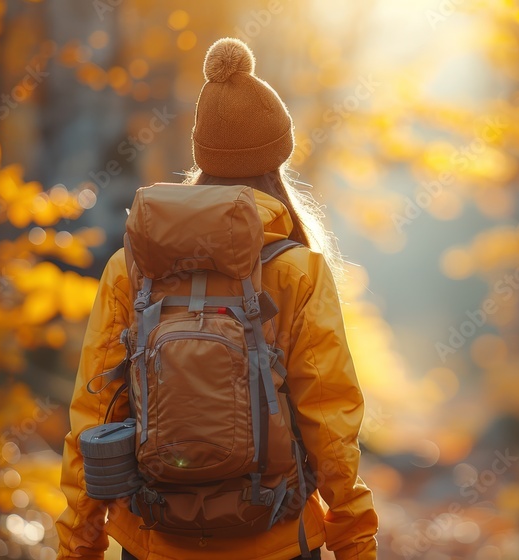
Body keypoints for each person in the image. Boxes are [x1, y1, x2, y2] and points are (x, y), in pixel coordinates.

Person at [56, 37, 379, 560]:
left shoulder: (133, 267)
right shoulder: (297, 269)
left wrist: (78, 542)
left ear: (201, 158)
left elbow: (92, 416)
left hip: (155, 537)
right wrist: (355, 542)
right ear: (278, 160)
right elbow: (330, 421)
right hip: (275, 537)